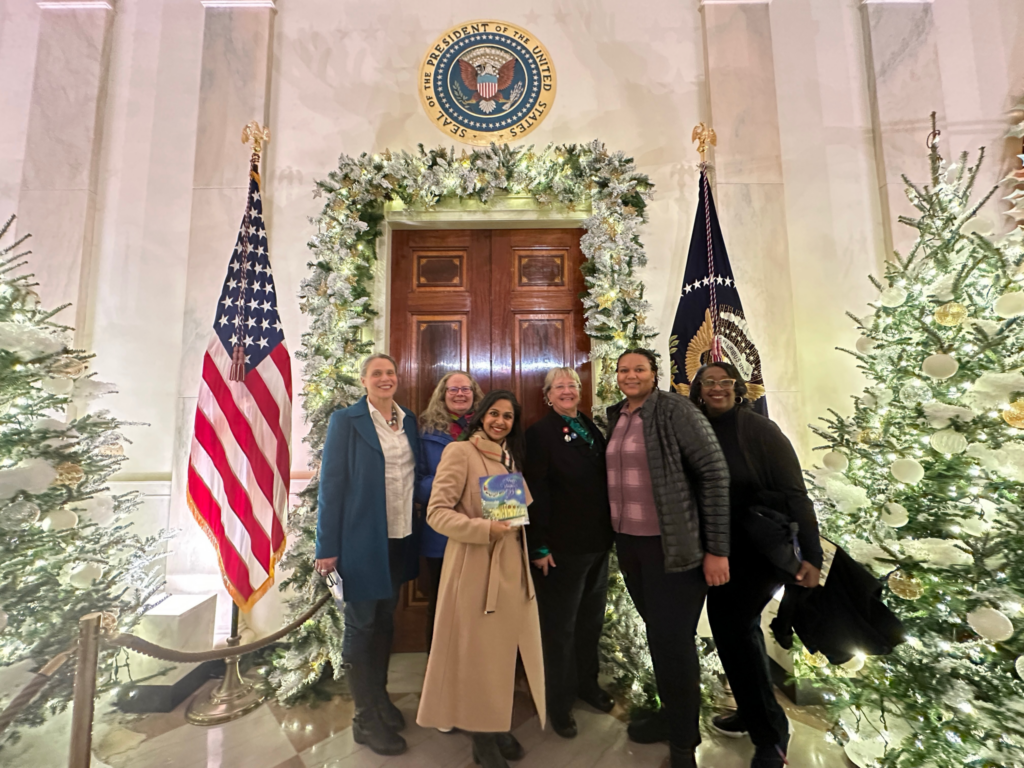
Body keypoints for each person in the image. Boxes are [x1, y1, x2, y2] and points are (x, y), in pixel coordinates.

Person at [690, 362, 823, 768]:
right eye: (708, 382)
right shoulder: (697, 428)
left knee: (734, 631)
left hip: (756, 553)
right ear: (698, 389)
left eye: (725, 382)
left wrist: (812, 555)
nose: (717, 388)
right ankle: (753, 712)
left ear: (738, 387)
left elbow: (796, 494)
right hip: (718, 550)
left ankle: (772, 736)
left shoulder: (759, 430)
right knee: (737, 634)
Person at [606, 349, 731, 768]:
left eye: (639, 368)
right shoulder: (617, 416)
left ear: (654, 373)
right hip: (631, 546)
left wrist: (717, 549)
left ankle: (683, 744)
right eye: (624, 369)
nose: (631, 375)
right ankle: (671, 717)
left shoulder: (676, 410)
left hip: (672, 548)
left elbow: (714, 473)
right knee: (661, 639)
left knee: (674, 645)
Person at [416, 390, 544, 768]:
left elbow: (516, 514)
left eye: (508, 416)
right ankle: (481, 736)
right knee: (477, 655)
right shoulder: (460, 452)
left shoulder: (509, 458)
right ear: (481, 416)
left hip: (510, 566)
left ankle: (495, 722)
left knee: (501, 653)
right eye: (494, 414)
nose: (500, 421)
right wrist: (482, 529)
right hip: (472, 566)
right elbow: (437, 512)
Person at [314, 353, 423, 757]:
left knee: (385, 622)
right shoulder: (346, 421)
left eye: (390, 372)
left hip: (399, 538)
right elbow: (331, 485)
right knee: (361, 627)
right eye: (377, 373)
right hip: (361, 541)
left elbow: (413, 476)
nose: (385, 378)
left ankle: (379, 699)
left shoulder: (408, 421)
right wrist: (327, 547)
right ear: (363, 380)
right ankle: (364, 718)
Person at [524, 367, 614, 739]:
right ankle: (559, 703)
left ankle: (586, 684)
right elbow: (535, 491)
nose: (567, 390)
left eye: (572, 385)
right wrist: (539, 544)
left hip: (597, 544)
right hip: (560, 548)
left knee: (591, 622)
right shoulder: (539, 433)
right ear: (547, 395)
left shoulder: (591, 427)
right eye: (558, 386)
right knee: (559, 629)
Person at [417, 370, 485, 652]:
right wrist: (452, 482)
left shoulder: (490, 427)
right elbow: (417, 485)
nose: (460, 394)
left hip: (482, 529)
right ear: (442, 395)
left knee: (480, 604)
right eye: (453, 389)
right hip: (440, 534)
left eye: (465, 389)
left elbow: (504, 473)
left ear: (475, 394)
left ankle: (476, 666)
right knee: (441, 604)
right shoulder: (425, 434)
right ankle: (439, 668)